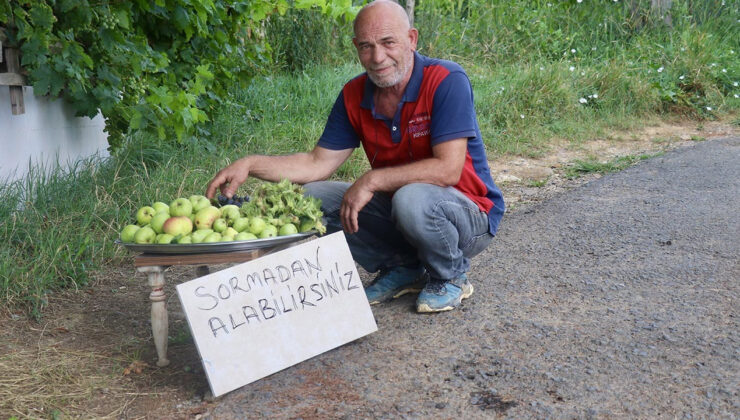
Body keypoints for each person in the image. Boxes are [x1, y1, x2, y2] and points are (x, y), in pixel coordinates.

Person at [205, 0, 504, 313]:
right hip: (404, 210)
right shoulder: (354, 94)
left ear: (412, 39)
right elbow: (316, 163)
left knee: (410, 198)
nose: (377, 58)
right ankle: (402, 267)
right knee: (309, 197)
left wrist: (372, 179)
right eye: (366, 46)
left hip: (470, 217)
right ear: (355, 47)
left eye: (388, 43)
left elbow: (448, 170)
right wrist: (251, 164)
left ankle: (452, 274)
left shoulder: (445, 80)